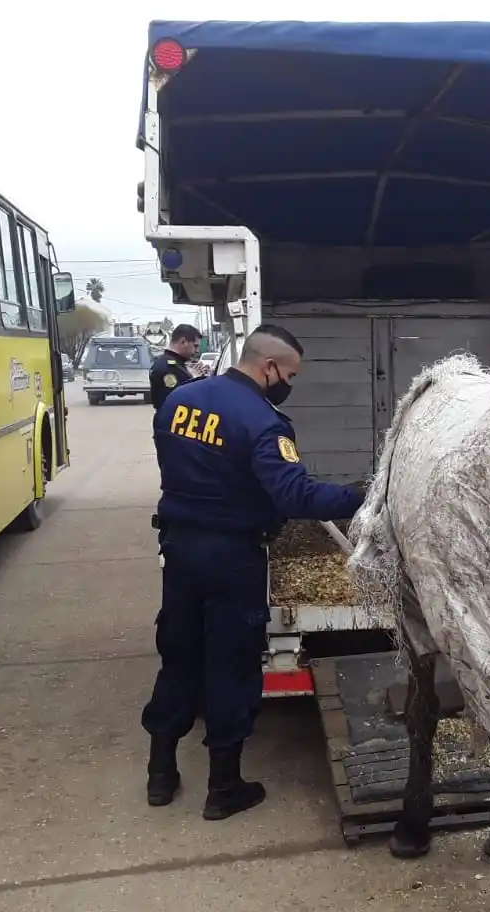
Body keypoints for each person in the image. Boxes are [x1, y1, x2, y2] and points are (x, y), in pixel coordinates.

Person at [142, 322, 364, 820]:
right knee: (230, 662)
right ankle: (223, 787)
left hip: (179, 549)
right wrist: (361, 495)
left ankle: (161, 773)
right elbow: (295, 496)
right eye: (290, 374)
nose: (290, 383)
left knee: (179, 653)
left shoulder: (180, 401)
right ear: (269, 368)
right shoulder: (264, 422)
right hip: (232, 558)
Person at [148, 324, 207, 412]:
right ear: (183, 342)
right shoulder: (168, 367)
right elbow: (176, 399)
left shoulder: (177, 364)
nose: (197, 351)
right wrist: (194, 379)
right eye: (195, 346)